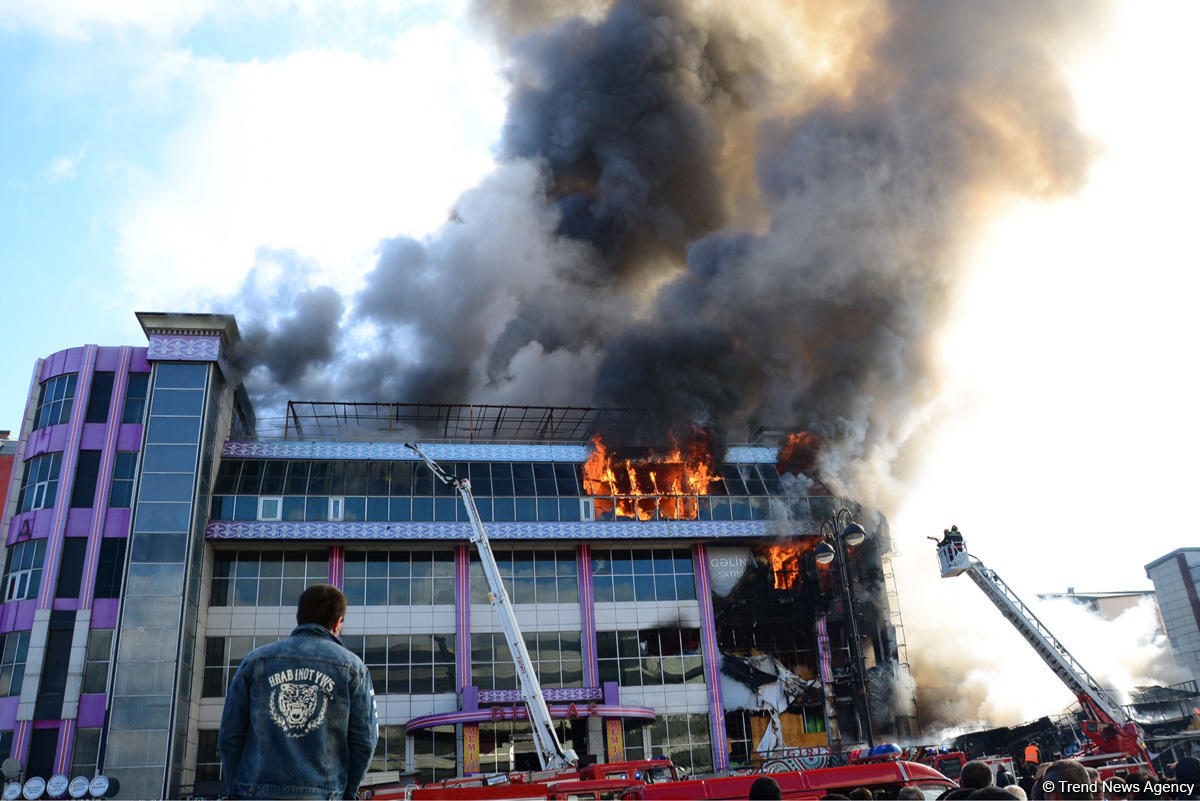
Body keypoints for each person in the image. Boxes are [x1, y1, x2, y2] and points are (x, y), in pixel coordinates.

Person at [219, 584, 379, 799]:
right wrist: (345, 793)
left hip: (256, 793)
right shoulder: (353, 669)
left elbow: (230, 735)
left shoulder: (255, 662)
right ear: (338, 622)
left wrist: (237, 789)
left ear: (297, 616)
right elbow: (365, 742)